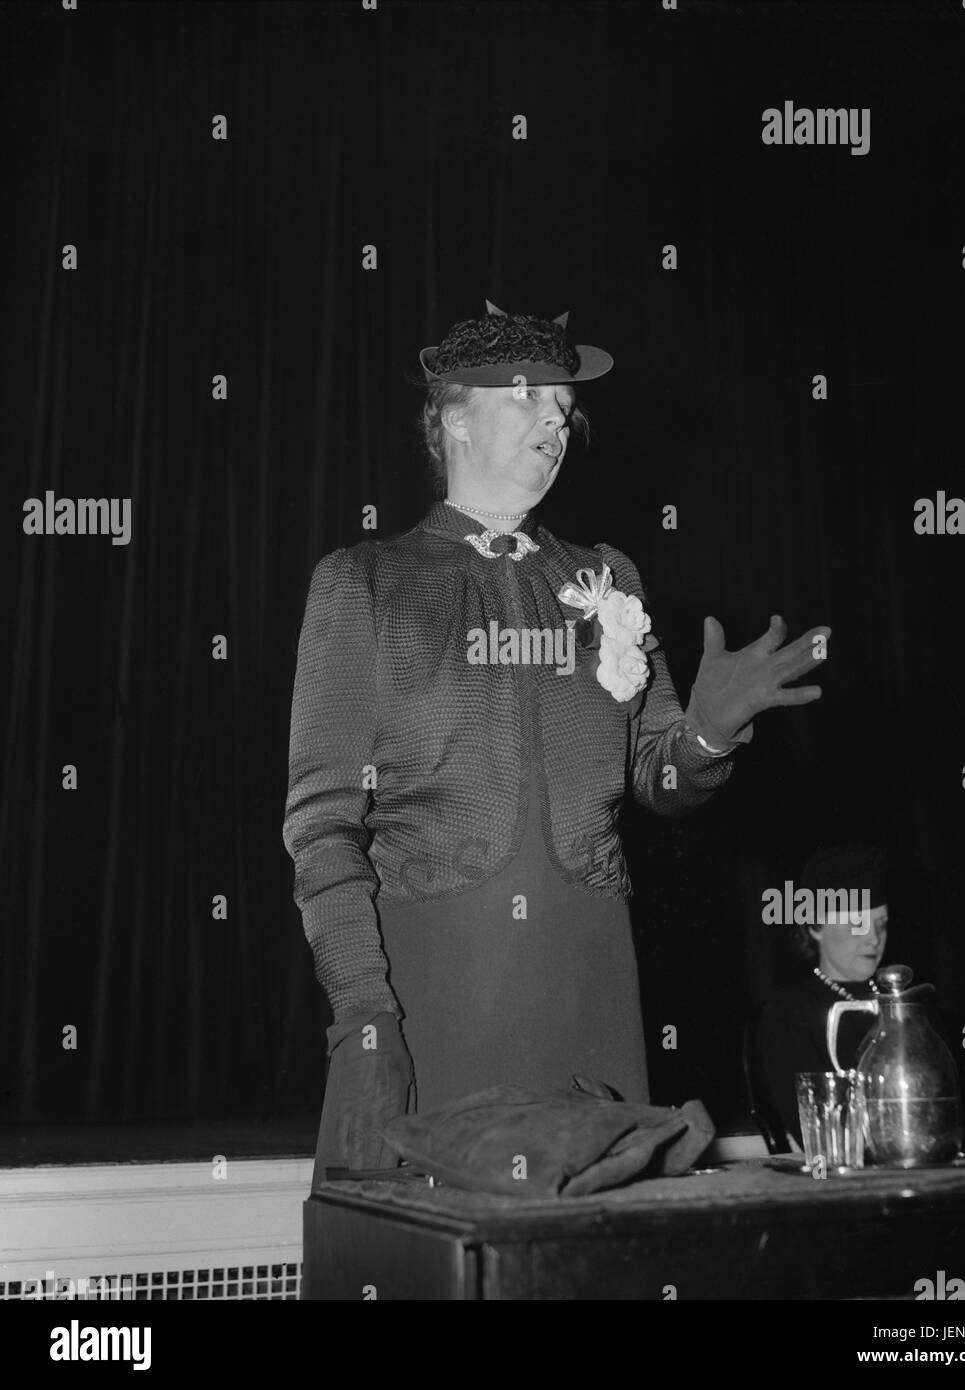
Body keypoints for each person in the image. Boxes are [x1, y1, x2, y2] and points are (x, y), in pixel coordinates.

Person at [283, 301, 831, 1187]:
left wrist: (703, 735)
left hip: (590, 989)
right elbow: (321, 828)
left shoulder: (606, 576)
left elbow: (658, 777)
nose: (557, 418)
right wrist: (364, 1014)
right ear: (450, 416)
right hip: (437, 993)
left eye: (564, 406)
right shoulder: (365, 583)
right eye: (530, 397)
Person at [756, 843, 890, 1147]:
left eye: (881, 924)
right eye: (858, 924)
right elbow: (817, 1137)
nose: (873, 938)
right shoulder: (787, 1014)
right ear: (815, 925)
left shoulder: (909, 1004)